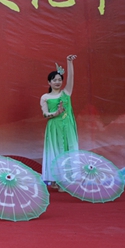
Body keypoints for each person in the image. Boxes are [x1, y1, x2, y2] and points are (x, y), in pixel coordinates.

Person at [40, 54, 79, 185]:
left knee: (68, 150)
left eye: (59, 80)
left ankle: (66, 180)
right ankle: (56, 179)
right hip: (54, 127)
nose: (57, 82)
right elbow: (45, 114)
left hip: (67, 126)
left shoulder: (66, 93)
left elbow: (71, 77)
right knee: (55, 151)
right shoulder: (45, 97)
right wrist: (56, 113)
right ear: (49, 82)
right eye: (54, 80)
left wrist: (69, 62)